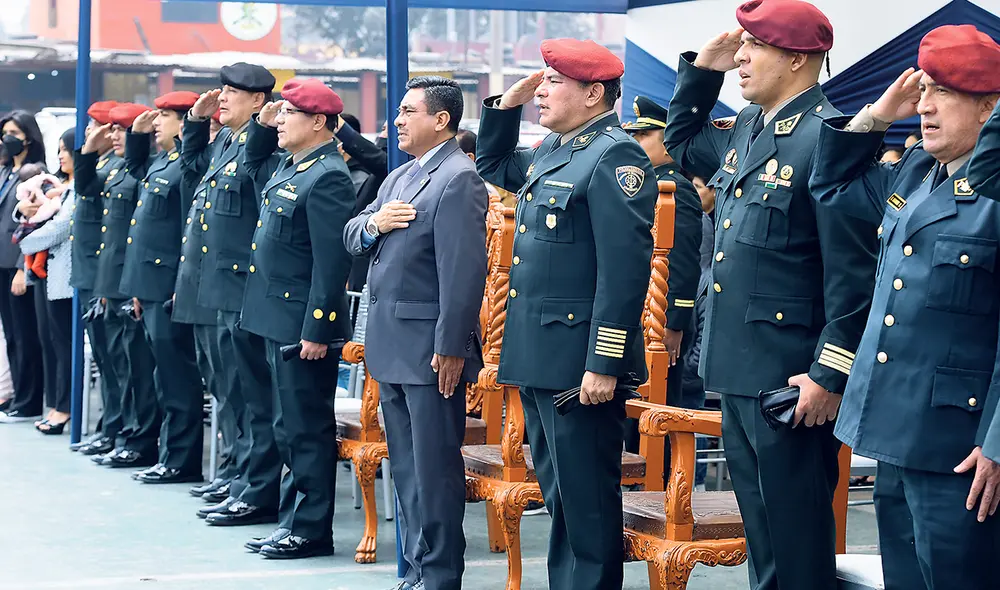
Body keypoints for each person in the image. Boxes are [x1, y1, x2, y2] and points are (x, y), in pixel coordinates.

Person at [662, 1, 879, 588]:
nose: (742, 56)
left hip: (791, 379)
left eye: (755, 46)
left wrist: (829, 374)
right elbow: (682, 142)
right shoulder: (750, 129)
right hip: (737, 368)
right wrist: (701, 72)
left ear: (799, 58)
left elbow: (854, 276)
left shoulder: (830, 138)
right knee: (763, 538)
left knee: (796, 543)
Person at [810, 25, 1000, 589]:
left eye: (946, 93)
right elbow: (832, 188)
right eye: (924, 91)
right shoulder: (918, 170)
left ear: (990, 108)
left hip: (960, 448)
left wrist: (998, 445)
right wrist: (875, 116)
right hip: (891, 430)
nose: (925, 107)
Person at [477, 39, 657, 590]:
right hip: (540, 353)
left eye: (554, 81)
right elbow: (494, 163)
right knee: (561, 497)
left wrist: (604, 362)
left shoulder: (614, 156)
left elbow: (623, 271)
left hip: (580, 363)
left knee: (586, 502)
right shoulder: (557, 149)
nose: (542, 91)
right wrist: (506, 106)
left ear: (593, 93)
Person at [345, 76, 487, 590]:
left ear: (441, 120)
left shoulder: (458, 178)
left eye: (408, 111)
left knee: (434, 471)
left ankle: (440, 575)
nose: (397, 120)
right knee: (406, 470)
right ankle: (416, 570)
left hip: (429, 352)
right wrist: (375, 224)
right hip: (391, 346)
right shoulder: (399, 177)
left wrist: (451, 346)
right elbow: (352, 234)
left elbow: (463, 273)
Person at [241, 78, 355, 559]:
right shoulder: (294, 167)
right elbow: (252, 161)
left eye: (289, 113)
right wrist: (263, 123)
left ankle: (310, 530)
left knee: (305, 429)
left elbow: (330, 265)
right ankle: (291, 521)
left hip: (300, 326)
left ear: (319, 122)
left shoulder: (327, 176)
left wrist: (317, 329)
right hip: (276, 317)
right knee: (286, 426)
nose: (280, 120)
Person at [182, 63, 282, 525]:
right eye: (221, 90)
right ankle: (238, 474)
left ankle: (255, 486)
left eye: (232, 92)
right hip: (219, 287)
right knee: (228, 387)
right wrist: (195, 124)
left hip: (244, 287)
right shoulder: (226, 140)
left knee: (251, 393)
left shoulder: (264, 146)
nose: (221, 98)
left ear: (258, 100)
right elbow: (192, 172)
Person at [119, 91, 206, 484]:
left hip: (170, 285)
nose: (156, 122)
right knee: (162, 376)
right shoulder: (163, 162)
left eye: (165, 116)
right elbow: (135, 171)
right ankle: (169, 454)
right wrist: (136, 137)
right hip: (151, 285)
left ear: (185, 122)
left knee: (177, 377)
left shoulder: (185, 165)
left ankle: (181, 460)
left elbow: (188, 230)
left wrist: (177, 285)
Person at [87, 102, 161, 469]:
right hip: (112, 280)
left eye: (121, 129)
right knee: (116, 364)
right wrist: (89, 149)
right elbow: (87, 191)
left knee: (136, 369)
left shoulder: (141, 169)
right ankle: (118, 430)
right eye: (112, 129)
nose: (114, 136)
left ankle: (136, 437)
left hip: (129, 282)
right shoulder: (117, 168)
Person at [623, 95, 702, 407]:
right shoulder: (647, 183)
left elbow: (683, 259)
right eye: (634, 135)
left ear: (669, 143)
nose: (636, 142)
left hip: (661, 317)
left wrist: (674, 321)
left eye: (644, 135)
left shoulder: (675, 188)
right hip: (641, 311)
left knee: (659, 406)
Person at [70, 101, 127, 455]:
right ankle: (109, 426)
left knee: (116, 360)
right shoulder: (103, 165)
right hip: (91, 273)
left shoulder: (116, 167)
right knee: (106, 360)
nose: (91, 132)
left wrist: (88, 152)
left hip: (103, 275)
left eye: (97, 127)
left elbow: (86, 189)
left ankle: (115, 427)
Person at [15, 129, 77, 434]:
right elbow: (25, 211)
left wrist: (25, 241)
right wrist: (23, 213)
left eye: (66, 150)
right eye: (60, 150)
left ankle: (64, 407)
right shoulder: (57, 184)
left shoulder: (79, 187)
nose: (61, 156)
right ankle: (54, 403)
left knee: (63, 342)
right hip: (44, 272)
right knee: (48, 339)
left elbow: (62, 227)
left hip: (64, 274)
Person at [0, 110, 46, 423]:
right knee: (12, 335)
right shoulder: (6, 171)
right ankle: (17, 394)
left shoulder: (35, 173)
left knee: (26, 333)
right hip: (1, 263)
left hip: (18, 263)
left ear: (28, 137)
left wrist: (22, 267)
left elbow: (33, 225)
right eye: (5, 132)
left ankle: (30, 401)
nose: (8, 139)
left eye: (14, 133)